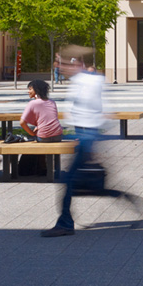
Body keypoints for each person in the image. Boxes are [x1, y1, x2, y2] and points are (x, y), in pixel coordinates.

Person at [42, 53, 106, 237]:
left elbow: (99, 109)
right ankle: (65, 222)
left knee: (68, 180)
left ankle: (65, 224)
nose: (62, 68)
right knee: (74, 180)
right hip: (83, 136)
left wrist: (92, 142)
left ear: (79, 64)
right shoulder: (78, 82)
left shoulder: (91, 82)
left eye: (65, 64)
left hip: (88, 135)